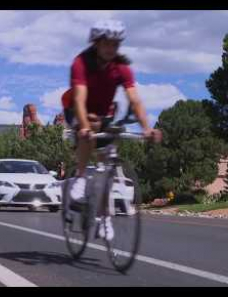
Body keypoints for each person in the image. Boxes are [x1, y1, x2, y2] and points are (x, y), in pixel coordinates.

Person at [63, 20, 162, 239]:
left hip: (104, 114)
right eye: (107, 44)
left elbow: (134, 99)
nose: (111, 49)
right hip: (77, 109)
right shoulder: (81, 63)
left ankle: (104, 217)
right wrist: (85, 127)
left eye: (115, 44)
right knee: (88, 129)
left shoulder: (122, 68)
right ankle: (79, 177)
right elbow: (79, 98)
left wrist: (147, 128)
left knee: (106, 165)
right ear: (96, 43)